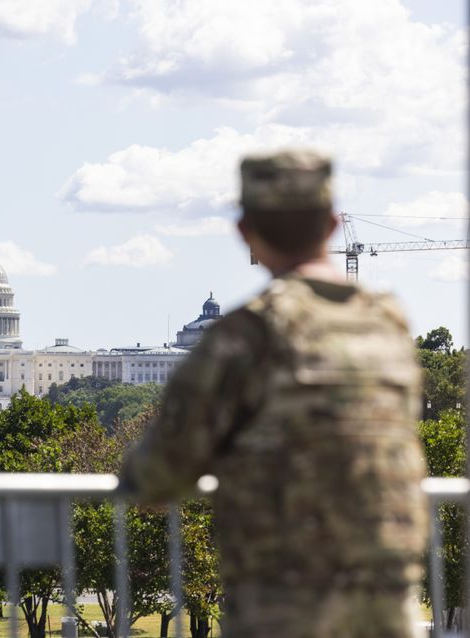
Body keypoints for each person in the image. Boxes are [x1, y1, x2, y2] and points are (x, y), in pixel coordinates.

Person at [120, 150, 428, 638]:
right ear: (330, 225)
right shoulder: (389, 325)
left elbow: (159, 474)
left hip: (287, 592)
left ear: (246, 233)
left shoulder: (251, 333)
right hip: (389, 590)